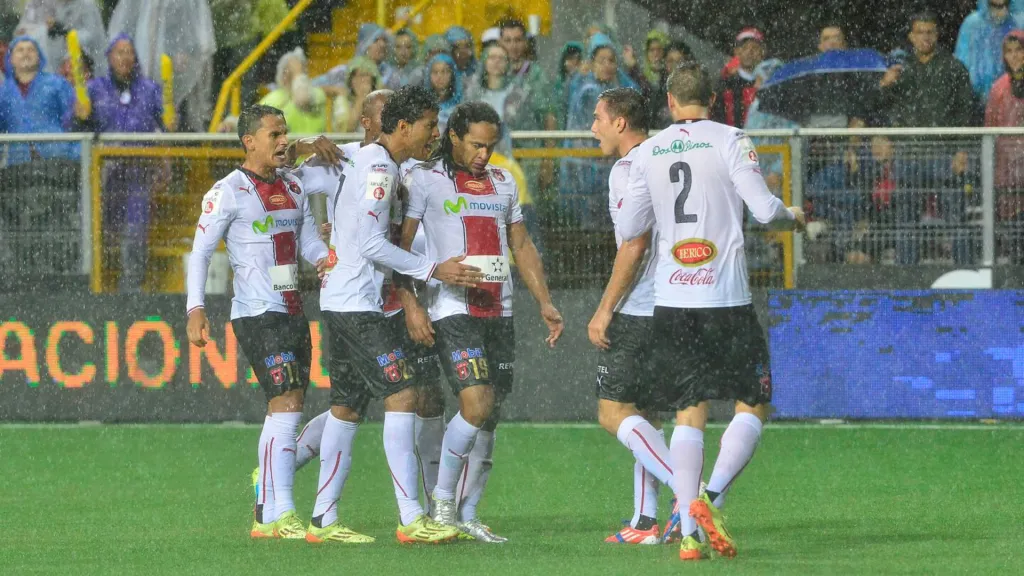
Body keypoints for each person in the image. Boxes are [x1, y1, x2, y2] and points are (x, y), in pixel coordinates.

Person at [615, 62, 804, 561]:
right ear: (715, 101)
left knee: (688, 410)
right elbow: (764, 211)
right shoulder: (731, 138)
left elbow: (631, 224)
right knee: (754, 401)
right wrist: (795, 216)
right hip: (726, 300)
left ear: (671, 104)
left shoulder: (649, 150)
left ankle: (689, 534)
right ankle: (709, 497)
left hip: (672, 303)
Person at [314, 84, 482, 544]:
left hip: (344, 300)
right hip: (355, 304)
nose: (435, 134)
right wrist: (433, 269)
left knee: (346, 409)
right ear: (403, 126)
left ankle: (322, 520)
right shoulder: (380, 169)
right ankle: (412, 519)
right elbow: (370, 243)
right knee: (404, 394)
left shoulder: (374, 160)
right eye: (430, 126)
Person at [400, 101, 564, 542]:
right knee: (475, 403)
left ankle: (470, 513)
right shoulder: (424, 180)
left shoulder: (503, 181)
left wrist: (544, 301)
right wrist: (411, 301)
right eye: (476, 145)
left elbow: (522, 246)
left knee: (490, 415)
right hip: (453, 307)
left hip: (501, 309)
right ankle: (443, 503)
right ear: (453, 135)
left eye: (490, 147)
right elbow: (399, 247)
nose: (483, 155)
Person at [185, 104, 329, 540]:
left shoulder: (294, 186)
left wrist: (326, 259)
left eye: (285, 133)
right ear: (249, 140)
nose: (283, 140)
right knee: (284, 403)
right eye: (274, 134)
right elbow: (202, 252)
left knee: (292, 404)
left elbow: (305, 240)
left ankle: (268, 488)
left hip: (292, 308)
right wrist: (195, 308)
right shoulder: (228, 191)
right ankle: (274, 514)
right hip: (256, 311)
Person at [586, 87, 676, 545]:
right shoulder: (667, 156)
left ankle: (690, 493)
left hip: (640, 309)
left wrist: (605, 310)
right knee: (649, 414)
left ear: (620, 123)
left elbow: (633, 244)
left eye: (599, 117)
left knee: (613, 411)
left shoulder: (629, 167)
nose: (594, 126)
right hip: (679, 302)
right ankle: (645, 522)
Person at [74, 34, 167, 293]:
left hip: (140, 170)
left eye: (128, 52)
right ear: (109, 58)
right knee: (96, 228)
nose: (124, 57)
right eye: (118, 52)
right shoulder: (95, 88)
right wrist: (80, 116)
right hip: (103, 170)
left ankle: (131, 288)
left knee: (135, 230)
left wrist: (171, 121)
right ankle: (94, 286)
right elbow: (76, 124)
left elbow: (168, 124)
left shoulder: (149, 89)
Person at [108, 0, 217, 132]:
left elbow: (199, 34)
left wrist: (187, 51)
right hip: (144, 73)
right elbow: (122, 28)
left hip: (179, 74)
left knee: (176, 119)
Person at [0, 36, 78, 166]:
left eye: (31, 49)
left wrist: (75, 153)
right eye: (20, 50)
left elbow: (74, 121)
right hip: (17, 165)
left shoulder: (58, 84)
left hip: (58, 159)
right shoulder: (3, 92)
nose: (25, 53)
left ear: (39, 57)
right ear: (11, 59)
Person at [985, 29, 1024, 263]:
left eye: (1019, 50)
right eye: (1009, 51)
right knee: (1015, 237)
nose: (1015, 56)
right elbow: (990, 127)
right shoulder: (998, 88)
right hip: (1009, 172)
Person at [955, 0, 1024, 104]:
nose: (1001, 9)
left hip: (1013, 96)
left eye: (1005, 4)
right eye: (995, 5)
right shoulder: (972, 24)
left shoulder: (1019, 23)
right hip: (974, 100)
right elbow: (961, 64)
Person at [15, 0, 106, 77]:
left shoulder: (87, 4)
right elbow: (23, 30)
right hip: (59, 62)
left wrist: (66, 32)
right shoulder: (51, 4)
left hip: (85, 65)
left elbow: (91, 35)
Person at [462, 43, 525, 153]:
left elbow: (521, 126)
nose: (497, 61)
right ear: (484, 62)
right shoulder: (471, 93)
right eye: (492, 57)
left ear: (507, 63)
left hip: (510, 156)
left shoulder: (517, 94)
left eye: (501, 58)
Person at [259, 48, 327, 135]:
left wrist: (297, 73)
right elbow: (255, 123)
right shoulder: (272, 98)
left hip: (315, 146)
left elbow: (302, 100)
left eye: (291, 72)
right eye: (285, 71)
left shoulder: (316, 93)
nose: (287, 75)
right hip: (287, 147)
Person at [712, 28, 765, 128]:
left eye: (754, 48)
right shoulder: (725, 83)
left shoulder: (770, 82)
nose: (750, 52)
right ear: (736, 52)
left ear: (761, 53)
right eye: (745, 48)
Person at [424, 53, 461, 129]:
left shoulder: (461, 105)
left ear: (452, 74)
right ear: (429, 75)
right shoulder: (423, 103)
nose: (439, 76)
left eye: (444, 71)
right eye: (435, 72)